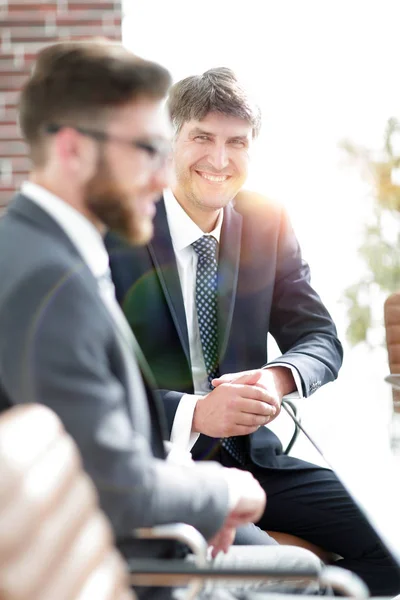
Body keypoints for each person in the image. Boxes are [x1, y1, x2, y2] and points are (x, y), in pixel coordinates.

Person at [105, 67, 400, 595]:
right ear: (167, 141)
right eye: (201, 138)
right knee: (292, 579)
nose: (219, 161)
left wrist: (277, 379)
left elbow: (320, 339)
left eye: (236, 143)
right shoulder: (117, 232)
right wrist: (194, 411)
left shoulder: (267, 221)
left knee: (390, 553)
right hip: (164, 465)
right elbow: (97, 384)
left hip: (254, 457)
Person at [0, 41, 276, 600]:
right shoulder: (46, 280)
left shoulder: (38, 250)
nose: (161, 178)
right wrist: (224, 492)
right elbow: (116, 490)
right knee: (324, 585)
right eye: (148, 150)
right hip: (140, 567)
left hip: (138, 538)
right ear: (74, 150)